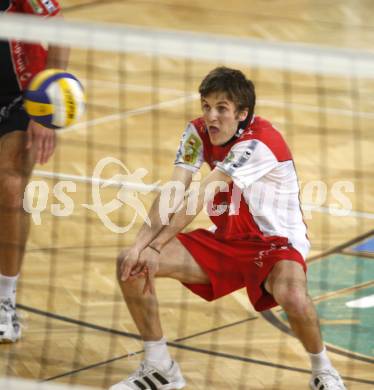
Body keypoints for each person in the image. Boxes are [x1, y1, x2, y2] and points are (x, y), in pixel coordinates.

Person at [112, 67, 346, 390]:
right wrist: (141, 245)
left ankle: (324, 370)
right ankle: (159, 366)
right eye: (206, 106)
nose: (211, 116)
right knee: (131, 264)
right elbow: (176, 190)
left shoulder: (259, 143)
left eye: (222, 109)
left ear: (242, 114)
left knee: (292, 295)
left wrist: (156, 246)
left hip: (277, 247)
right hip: (227, 242)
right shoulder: (196, 133)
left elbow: (201, 195)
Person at [0, 0, 68, 342]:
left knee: (11, 188)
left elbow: (61, 33)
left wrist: (46, 112)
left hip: (21, 96)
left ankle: (4, 302)